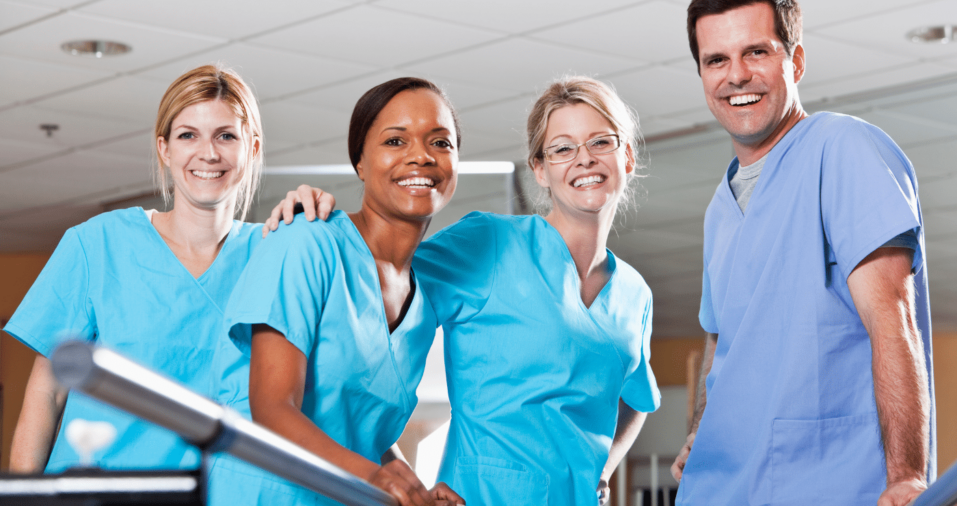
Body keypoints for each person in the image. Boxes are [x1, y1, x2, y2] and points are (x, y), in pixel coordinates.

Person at [4, 64, 333, 474]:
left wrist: (320, 224)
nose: (208, 153)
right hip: (94, 493)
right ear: (164, 148)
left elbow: (327, 391)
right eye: (187, 135)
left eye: (226, 136)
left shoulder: (273, 257)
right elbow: (46, 393)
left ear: (253, 148)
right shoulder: (99, 244)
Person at [669, 1, 933, 505]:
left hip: (827, 482)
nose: (737, 75)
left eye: (756, 52)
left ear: (797, 61)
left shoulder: (844, 150)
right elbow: (722, 342)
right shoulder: (719, 207)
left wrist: (906, 475)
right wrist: (703, 432)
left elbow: (891, 318)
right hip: (722, 486)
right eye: (716, 60)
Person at [214, 77, 464, 506]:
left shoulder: (422, 303)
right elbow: (272, 408)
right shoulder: (305, 243)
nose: (421, 156)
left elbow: (363, 431)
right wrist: (376, 479)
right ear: (360, 163)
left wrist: (412, 492)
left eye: (440, 143)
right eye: (395, 141)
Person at [413, 76, 659, 505]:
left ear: (628, 157)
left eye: (601, 142)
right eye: (563, 148)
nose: (584, 160)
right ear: (541, 170)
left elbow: (638, 398)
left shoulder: (634, 294)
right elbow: (381, 273)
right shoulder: (489, 244)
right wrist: (317, 226)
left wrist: (603, 469)